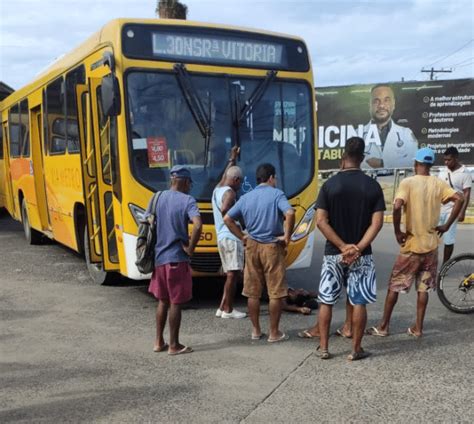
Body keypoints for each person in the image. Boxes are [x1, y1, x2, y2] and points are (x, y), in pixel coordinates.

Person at [367, 147, 463, 339]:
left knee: (395, 286)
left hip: (411, 246)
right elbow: (459, 198)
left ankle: (384, 326)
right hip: (431, 246)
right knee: (423, 288)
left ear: (415, 164)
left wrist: (397, 231)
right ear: (430, 165)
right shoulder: (439, 183)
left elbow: (396, 206)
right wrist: (446, 225)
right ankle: (418, 328)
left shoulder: (407, 182)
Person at [309, 137, 385, 361]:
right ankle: (355, 349)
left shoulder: (330, 185)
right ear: (361, 158)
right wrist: (358, 248)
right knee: (358, 300)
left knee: (326, 299)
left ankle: (323, 348)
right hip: (362, 255)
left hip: (334, 253)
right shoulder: (372, 185)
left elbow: (321, 221)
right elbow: (377, 223)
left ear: (343, 158)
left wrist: (342, 246)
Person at [223, 163, 295, 342]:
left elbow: (227, 218)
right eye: (275, 178)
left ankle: (255, 331)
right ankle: (274, 332)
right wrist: (286, 237)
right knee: (275, 292)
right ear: (271, 177)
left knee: (252, 292)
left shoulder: (246, 197)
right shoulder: (277, 194)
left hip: (252, 246)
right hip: (272, 246)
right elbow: (290, 213)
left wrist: (242, 236)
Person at [147, 165, 202, 355]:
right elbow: (198, 225)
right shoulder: (188, 200)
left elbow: (147, 222)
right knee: (175, 303)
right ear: (186, 182)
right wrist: (191, 248)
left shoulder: (157, 197)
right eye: (190, 184)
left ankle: (158, 341)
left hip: (159, 259)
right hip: (177, 259)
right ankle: (174, 345)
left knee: (162, 301)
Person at [212, 146, 247, 319]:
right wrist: (234, 222)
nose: (240, 185)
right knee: (233, 275)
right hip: (231, 237)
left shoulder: (217, 189)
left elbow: (225, 175)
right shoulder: (230, 193)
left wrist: (232, 158)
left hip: (221, 237)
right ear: (235, 180)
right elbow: (225, 209)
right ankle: (229, 310)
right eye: (239, 181)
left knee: (230, 274)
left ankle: (221, 307)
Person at [363, 84, 418, 170]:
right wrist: (396, 161)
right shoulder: (357, 134)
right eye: (376, 101)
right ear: (369, 105)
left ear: (394, 104)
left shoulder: (406, 134)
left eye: (386, 100)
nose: (381, 105)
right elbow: (354, 164)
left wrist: (383, 163)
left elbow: (413, 161)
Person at [437, 147, 472, 263]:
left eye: (449, 160)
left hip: (452, 211)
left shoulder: (464, 173)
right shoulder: (442, 171)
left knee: (448, 240)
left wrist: (462, 211)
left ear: (456, 158)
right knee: (432, 238)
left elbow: (466, 193)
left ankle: (444, 266)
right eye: (445, 160)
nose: (446, 162)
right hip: (438, 209)